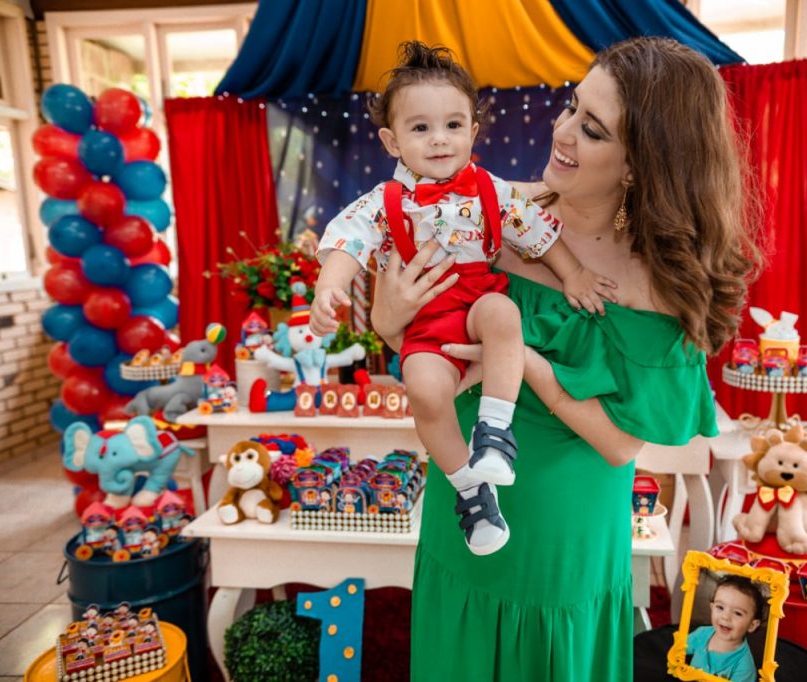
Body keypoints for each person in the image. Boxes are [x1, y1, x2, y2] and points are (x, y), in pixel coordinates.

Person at [371, 36, 760, 679]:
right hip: (463, 506)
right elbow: (423, 353)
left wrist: (522, 361)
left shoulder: (659, 282)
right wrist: (388, 322)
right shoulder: (490, 213)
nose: (563, 132)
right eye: (572, 106)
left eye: (593, 129)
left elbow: (620, 445)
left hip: (563, 534)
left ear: (641, 163)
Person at [312, 41, 617, 556]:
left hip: (476, 299)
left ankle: (494, 431)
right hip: (426, 323)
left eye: (453, 125)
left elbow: (538, 233)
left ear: (473, 132)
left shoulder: (493, 191)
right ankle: (471, 490)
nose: (439, 139)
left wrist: (574, 275)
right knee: (424, 391)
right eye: (420, 128)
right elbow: (348, 240)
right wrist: (329, 285)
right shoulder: (384, 202)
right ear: (391, 141)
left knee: (503, 314)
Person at [686, 576, 764, 682]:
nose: (725, 617)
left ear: (752, 625)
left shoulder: (744, 667)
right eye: (720, 607)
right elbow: (677, 650)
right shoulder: (701, 634)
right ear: (712, 608)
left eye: (737, 613)